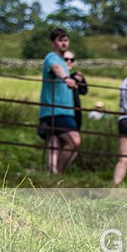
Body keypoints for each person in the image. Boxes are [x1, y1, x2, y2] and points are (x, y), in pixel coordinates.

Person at [38, 27, 80, 175]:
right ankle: (59, 174)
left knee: (55, 143)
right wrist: (66, 78)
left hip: (63, 109)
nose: (64, 43)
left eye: (66, 40)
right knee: (74, 141)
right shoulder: (52, 58)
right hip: (56, 109)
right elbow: (56, 69)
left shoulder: (63, 62)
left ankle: (53, 175)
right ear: (53, 43)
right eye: (60, 40)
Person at [63, 51, 88, 131]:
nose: (69, 62)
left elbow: (84, 91)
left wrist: (82, 80)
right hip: (62, 113)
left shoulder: (74, 77)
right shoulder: (55, 77)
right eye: (66, 59)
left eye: (72, 60)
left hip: (75, 112)